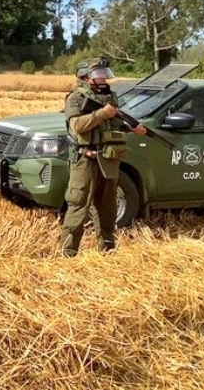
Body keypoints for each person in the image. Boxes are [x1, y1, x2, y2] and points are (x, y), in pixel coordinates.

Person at [60, 57, 147, 257]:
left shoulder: (110, 98)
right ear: (85, 77)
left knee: (107, 208)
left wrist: (132, 128)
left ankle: (107, 249)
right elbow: (77, 126)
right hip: (85, 160)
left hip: (108, 160)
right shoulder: (75, 98)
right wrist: (102, 114)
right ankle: (68, 252)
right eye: (98, 75)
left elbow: (113, 126)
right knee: (78, 205)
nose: (104, 79)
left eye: (104, 75)